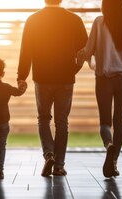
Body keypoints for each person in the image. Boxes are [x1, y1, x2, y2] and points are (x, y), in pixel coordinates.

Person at [17, 0, 88, 177]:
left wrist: (21, 76)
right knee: (62, 122)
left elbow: (26, 50)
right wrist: (74, 69)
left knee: (43, 119)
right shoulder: (74, 19)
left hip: (42, 78)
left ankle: (48, 154)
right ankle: (58, 166)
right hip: (65, 78)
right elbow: (84, 51)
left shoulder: (33, 20)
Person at [78, 0, 122, 177]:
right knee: (119, 122)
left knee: (105, 122)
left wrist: (79, 56)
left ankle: (109, 145)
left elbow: (88, 50)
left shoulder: (99, 23)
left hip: (104, 80)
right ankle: (113, 162)